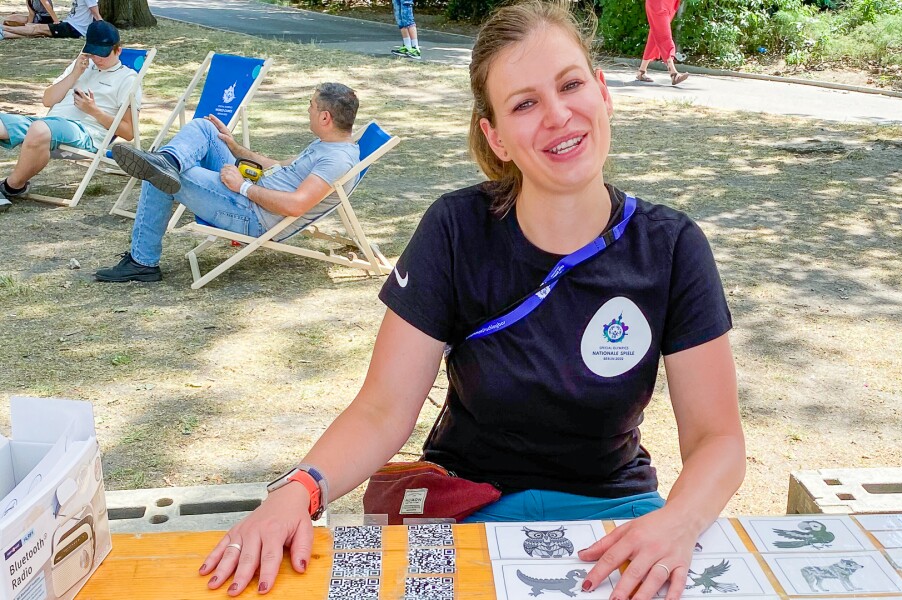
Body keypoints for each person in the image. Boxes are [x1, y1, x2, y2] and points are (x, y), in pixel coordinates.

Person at [198, 1, 744, 599]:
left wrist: (678, 521)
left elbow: (717, 438)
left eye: (571, 84)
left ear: (603, 92)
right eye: (524, 103)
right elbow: (383, 409)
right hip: (465, 506)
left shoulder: (672, 247)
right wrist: (298, 490)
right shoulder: (456, 229)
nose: (559, 115)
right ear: (496, 136)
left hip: (615, 512)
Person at [94, 82, 361, 283]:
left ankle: (143, 261)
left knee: (158, 173)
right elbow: (280, 168)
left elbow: (295, 205)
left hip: (254, 216)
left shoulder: (336, 159)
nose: (308, 109)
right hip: (252, 194)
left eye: (311, 105)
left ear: (325, 117)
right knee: (206, 129)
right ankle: (169, 160)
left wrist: (243, 186)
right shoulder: (328, 143)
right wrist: (235, 149)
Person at [0, 20, 138, 212]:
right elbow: (48, 101)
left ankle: (10, 186)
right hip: (48, 124)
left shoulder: (128, 79)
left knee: (39, 129)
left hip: (84, 132)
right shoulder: (80, 66)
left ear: (118, 51)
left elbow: (129, 132)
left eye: (103, 54)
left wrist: (93, 111)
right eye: (93, 53)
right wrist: (74, 75)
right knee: (37, 127)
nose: (97, 59)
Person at [635, 0, 688, 85]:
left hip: (669, 4)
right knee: (665, 37)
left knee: (654, 36)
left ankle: (642, 71)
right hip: (658, 5)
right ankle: (673, 73)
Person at [2, 0, 99, 40]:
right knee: (37, 31)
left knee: (37, 29)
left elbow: (97, 16)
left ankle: (3, 29)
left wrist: (56, 21)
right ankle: (4, 34)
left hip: (74, 29)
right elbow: (31, 14)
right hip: (69, 24)